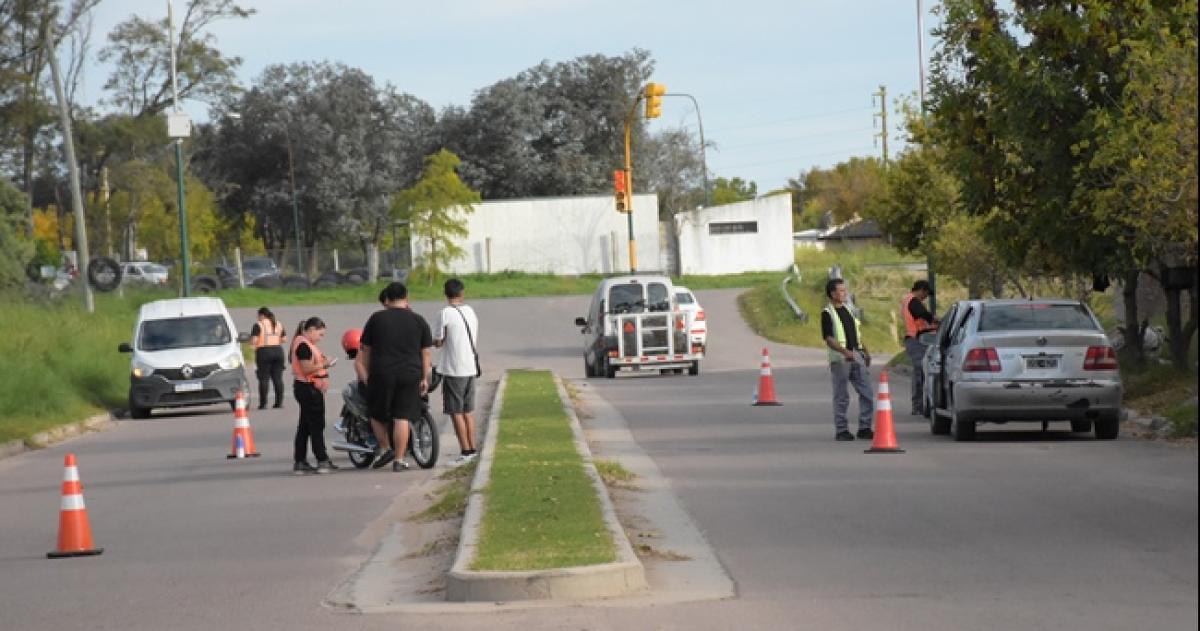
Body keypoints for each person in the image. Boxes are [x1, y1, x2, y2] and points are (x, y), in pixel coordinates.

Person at [357, 282, 433, 472]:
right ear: (407, 297)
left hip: (382, 374)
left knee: (376, 414)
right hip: (410, 374)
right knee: (402, 417)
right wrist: (425, 377)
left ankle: (385, 448)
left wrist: (365, 375)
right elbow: (426, 354)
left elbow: (366, 350)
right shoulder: (418, 320)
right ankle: (399, 460)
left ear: (387, 299)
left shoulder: (376, 319)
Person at [434, 278, 481, 465]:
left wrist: (436, 341)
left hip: (454, 369)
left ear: (445, 294)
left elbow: (439, 340)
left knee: (456, 412)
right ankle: (473, 448)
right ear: (462, 293)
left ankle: (465, 451)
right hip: (470, 367)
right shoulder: (470, 311)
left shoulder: (444, 313)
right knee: (468, 411)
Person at [821, 278, 875, 442]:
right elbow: (829, 338)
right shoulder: (827, 313)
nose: (844, 293)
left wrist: (865, 351)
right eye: (841, 290)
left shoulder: (848, 310)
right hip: (840, 359)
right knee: (841, 396)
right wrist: (845, 351)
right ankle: (842, 430)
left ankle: (865, 428)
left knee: (867, 393)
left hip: (857, 356)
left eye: (845, 290)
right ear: (832, 293)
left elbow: (855, 333)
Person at [290, 317, 338, 475]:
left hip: (307, 388)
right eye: (320, 334)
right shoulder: (303, 345)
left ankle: (300, 461)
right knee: (316, 425)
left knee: (305, 426)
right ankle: (322, 460)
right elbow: (306, 368)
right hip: (308, 389)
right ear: (311, 330)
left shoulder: (304, 343)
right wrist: (325, 364)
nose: (320, 338)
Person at [901, 280, 939, 416]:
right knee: (919, 373)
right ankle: (917, 405)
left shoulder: (909, 300)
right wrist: (934, 319)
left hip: (917, 339)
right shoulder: (913, 301)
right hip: (916, 340)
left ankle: (920, 405)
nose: (926, 297)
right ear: (921, 290)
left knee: (921, 373)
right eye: (926, 294)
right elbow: (922, 314)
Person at [250, 307, 287, 410]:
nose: (257, 317)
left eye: (258, 315)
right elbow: (284, 339)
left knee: (264, 379)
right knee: (278, 379)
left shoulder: (259, 324)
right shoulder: (278, 324)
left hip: (264, 352)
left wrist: (250, 343)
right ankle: (279, 403)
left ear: (262, 315)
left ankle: (263, 403)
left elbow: (254, 340)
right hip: (278, 351)